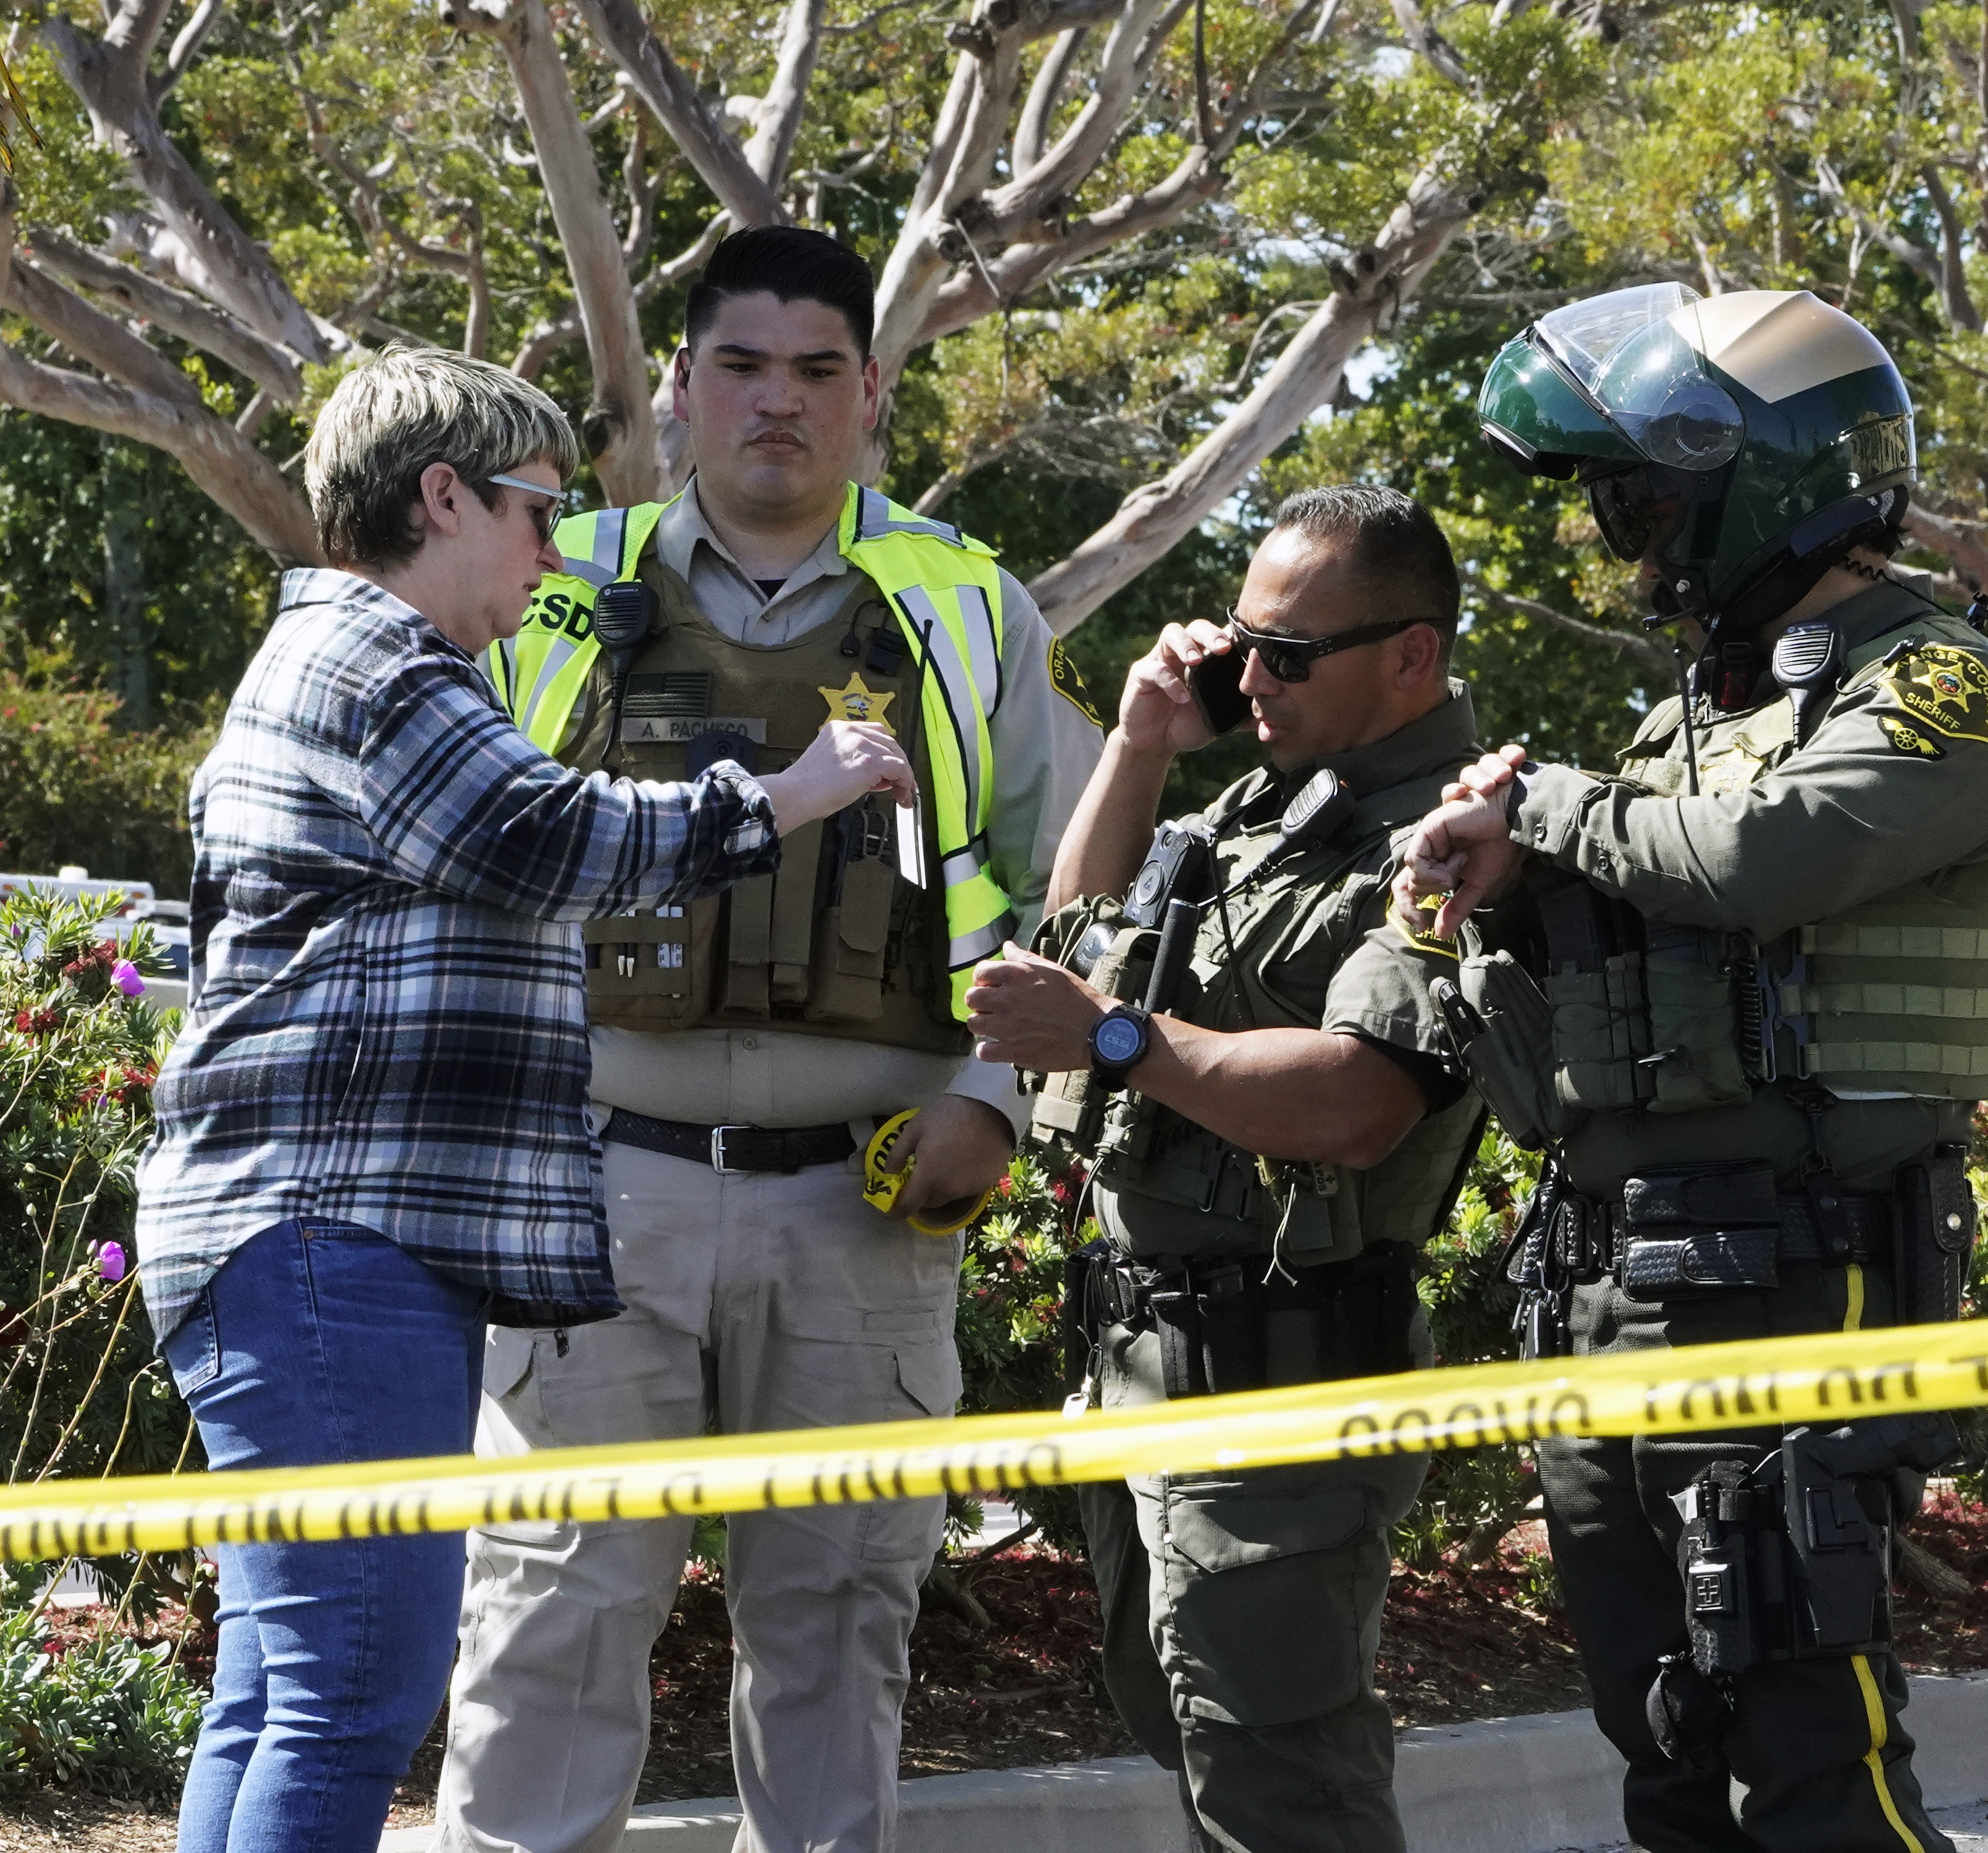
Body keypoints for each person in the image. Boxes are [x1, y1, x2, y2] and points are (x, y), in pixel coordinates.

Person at [133, 347, 916, 1853]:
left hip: (295, 1245)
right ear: (443, 496)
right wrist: (791, 791)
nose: (556, 554)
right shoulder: (379, 664)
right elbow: (547, 838)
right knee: (354, 1688)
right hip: (333, 1246)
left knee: (282, 1690)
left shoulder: (336, 656)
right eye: (538, 512)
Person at [436, 228, 1103, 1853]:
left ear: (871, 391)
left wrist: (996, 1098)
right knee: (547, 1626)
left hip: (865, 1200)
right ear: (680, 385)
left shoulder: (966, 603)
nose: (777, 404)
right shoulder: (547, 578)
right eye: (740, 366)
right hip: (595, 1190)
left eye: (816, 371)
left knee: (836, 1635)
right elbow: (440, 847)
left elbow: (1079, 878)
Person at [1393, 286, 1988, 1853]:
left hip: (1794, 1262)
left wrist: (1537, 806)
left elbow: (1763, 858)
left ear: (1760, 480)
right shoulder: (1690, 720)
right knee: (1667, 1734)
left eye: (1649, 504)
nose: (1634, 547)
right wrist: (1488, 881)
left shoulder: (1940, 686)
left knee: (1806, 1737)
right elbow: (1633, 918)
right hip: (1611, 1276)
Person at [963, 484, 1489, 1853]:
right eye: (1243, 646)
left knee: (1283, 1786)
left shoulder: (1447, 836)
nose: (1250, 680)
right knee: (1196, 1738)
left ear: (1412, 656)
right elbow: (1083, 934)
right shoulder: (1275, 802)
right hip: (1152, 1362)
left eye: (1289, 654)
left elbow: (1358, 1101)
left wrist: (1117, 1037)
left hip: (1281, 1381)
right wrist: (1140, 744)